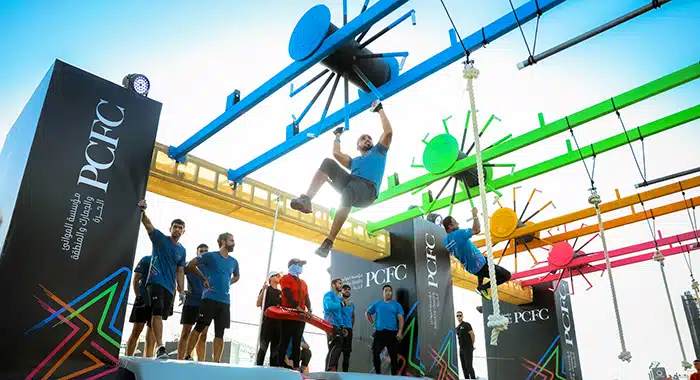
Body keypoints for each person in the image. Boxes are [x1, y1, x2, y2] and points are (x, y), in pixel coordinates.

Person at [290, 100, 393, 257]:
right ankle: (306, 199)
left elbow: (388, 132)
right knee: (328, 163)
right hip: (351, 183)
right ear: (358, 145)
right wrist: (337, 136)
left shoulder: (379, 151)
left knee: (349, 191)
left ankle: (329, 240)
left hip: (367, 191)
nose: (367, 140)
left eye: (369, 138)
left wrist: (380, 110)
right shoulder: (354, 162)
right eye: (363, 139)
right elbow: (337, 154)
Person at [138, 199, 187, 359]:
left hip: (169, 288)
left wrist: (181, 291)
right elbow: (148, 224)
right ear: (170, 228)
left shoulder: (182, 250)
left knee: (156, 319)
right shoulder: (160, 239)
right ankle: (160, 347)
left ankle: (149, 355)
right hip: (155, 282)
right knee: (156, 314)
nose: (178, 229)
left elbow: (180, 271)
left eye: (181, 228)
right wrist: (143, 210)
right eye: (175, 227)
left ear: (183, 232)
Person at [184, 233, 240, 363]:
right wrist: (203, 278)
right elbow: (191, 265)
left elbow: (237, 276)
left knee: (220, 332)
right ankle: (187, 355)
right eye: (231, 240)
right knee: (199, 326)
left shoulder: (234, 261)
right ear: (223, 241)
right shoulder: (210, 256)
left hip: (225, 301)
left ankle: (217, 363)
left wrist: (228, 283)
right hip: (209, 298)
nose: (234, 242)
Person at [442, 207, 512, 300]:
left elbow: (458, 251)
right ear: (450, 226)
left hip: (472, 267)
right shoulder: (458, 234)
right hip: (480, 264)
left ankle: (481, 286)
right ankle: (482, 288)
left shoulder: (446, 241)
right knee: (506, 275)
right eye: (455, 222)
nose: (458, 223)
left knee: (480, 269)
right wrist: (475, 215)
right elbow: (477, 230)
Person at [276, 258, 312, 371]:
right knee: (284, 340)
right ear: (291, 266)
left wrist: (309, 309)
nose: (301, 267)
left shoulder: (303, 282)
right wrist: (296, 307)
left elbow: (306, 297)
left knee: (297, 342)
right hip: (288, 314)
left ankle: (296, 367)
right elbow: (287, 294)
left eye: (301, 265)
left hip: (300, 316)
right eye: (299, 264)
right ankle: (280, 366)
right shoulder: (285, 278)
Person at [177, 244, 211, 360]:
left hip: (206, 304)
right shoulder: (189, 265)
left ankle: (200, 363)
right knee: (185, 333)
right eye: (201, 251)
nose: (203, 253)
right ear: (197, 252)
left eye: (206, 251)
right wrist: (181, 290)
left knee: (203, 335)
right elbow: (178, 272)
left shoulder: (212, 268)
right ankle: (180, 361)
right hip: (190, 303)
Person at [366, 284, 404, 375]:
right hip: (380, 333)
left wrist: (400, 331)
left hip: (392, 333)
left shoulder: (396, 305)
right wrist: (373, 324)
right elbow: (367, 313)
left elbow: (401, 319)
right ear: (383, 292)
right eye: (386, 291)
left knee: (393, 357)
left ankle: (394, 376)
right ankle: (378, 374)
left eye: (390, 291)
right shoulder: (377, 304)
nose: (388, 292)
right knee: (375, 353)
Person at [125, 255, 156, 357]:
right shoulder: (146, 259)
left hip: (157, 299)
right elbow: (136, 278)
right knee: (137, 329)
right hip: (143, 298)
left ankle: (149, 358)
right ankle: (128, 357)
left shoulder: (166, 261)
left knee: (152, 330)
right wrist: (138, 295)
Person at [256, 271, 282, 366]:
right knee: (263, 348)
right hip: (267, 323)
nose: (279, 277)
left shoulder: (280, 292)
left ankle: (273, 372)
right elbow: (258, 303)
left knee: (275, 351)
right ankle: (257, 369)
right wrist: (263, 290)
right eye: (276, 275)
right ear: (270, 278)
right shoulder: (266, 290)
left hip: (278, 324)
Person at [323, 278, 345, 371]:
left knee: (336, 347)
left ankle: (331, 368)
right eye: (339, 283)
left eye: (341, 283)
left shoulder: (339, 298)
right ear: (333, 285)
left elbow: (339, 315)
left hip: (338, 326)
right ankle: (329, 368)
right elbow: (329, 306)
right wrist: (341, 304)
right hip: (330, 324)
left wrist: (342, 326)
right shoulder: (329, 295)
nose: (341, 285)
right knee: (336, 346)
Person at [456, 311, 476, 379]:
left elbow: (472, 334)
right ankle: (467, 378)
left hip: (468, 348)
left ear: (462, 316)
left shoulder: (466, 324)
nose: (459, 317)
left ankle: (473, 378)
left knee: (469, 366)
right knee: (463, 366)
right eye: (457, 316)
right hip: (461, 349)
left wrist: (471, 345)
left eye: (460, 315)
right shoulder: (457, 327)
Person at [339, 284, 355, 372]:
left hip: (349, 329)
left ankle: (345, 373)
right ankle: (332, 372)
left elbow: (353, 316)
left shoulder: (352, 304)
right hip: (339, 328)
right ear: (341, 291)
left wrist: (350, 327)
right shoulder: (337, 301)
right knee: (336, 352)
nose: (347, 290)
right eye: (345, 289)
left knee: (347, 352)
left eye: (349, 289)